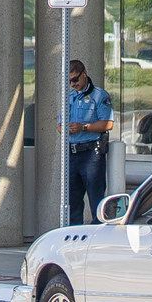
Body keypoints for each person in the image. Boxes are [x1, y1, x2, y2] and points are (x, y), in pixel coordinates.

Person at [63, 61, 114, 226]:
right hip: (72, 152)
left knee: (96, 197)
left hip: (91, 153)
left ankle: (98, 235)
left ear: (84, 74)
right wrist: (65, 128)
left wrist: (84, 127)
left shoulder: (99, 96)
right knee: (72, 200)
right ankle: (74, 235)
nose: (73, 84)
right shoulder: (68, 97)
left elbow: (108, 124)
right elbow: (58, 124)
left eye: (76, 79)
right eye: (69, 81)